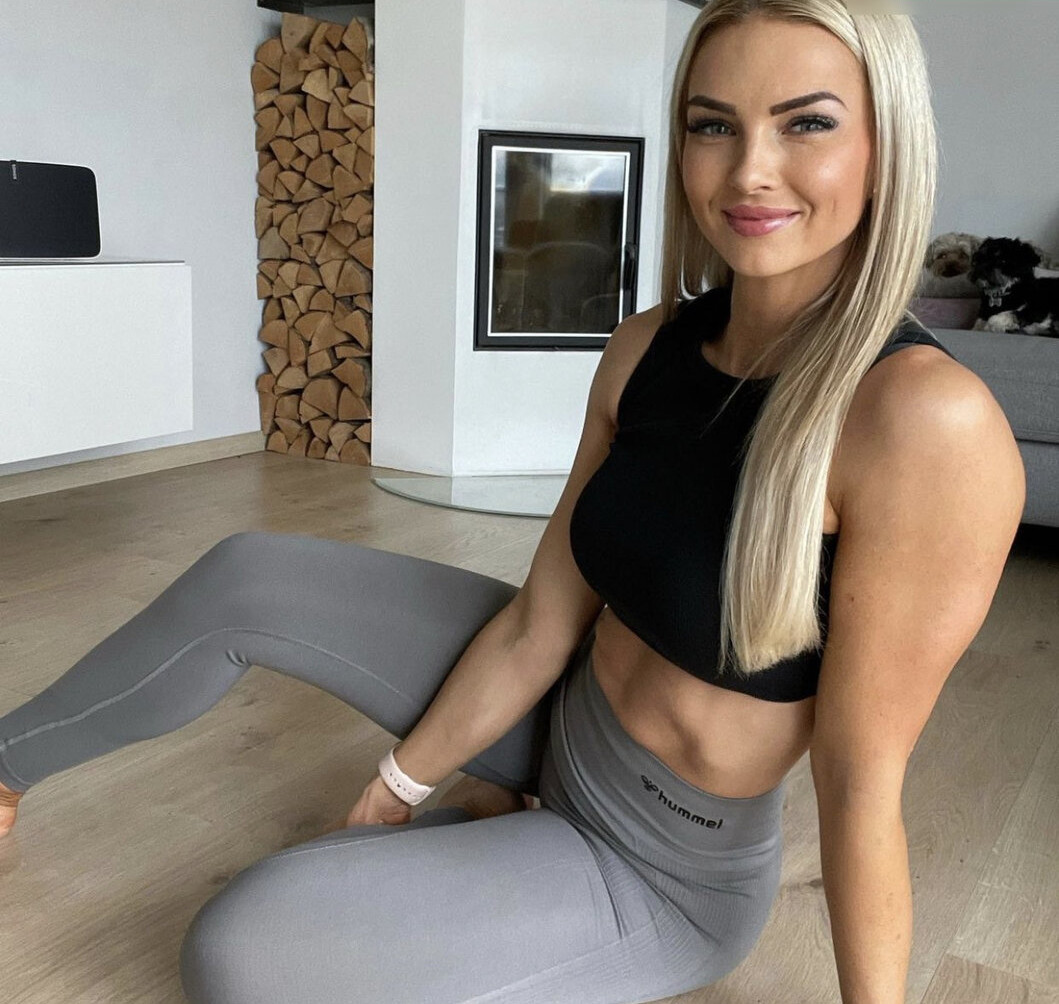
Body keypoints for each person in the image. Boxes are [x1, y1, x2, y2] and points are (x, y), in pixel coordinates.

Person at [0, 2, 1025, 1002]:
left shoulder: (922, 423)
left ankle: (509, 858)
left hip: (658, 864)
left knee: (239, 950)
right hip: (559, 713)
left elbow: (859, 785)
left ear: (885, 146)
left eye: (807, 123)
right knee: (249, 575)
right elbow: (541, 620)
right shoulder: (647, 346)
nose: (750, 169)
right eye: (714, 125)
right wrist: (394, 788)